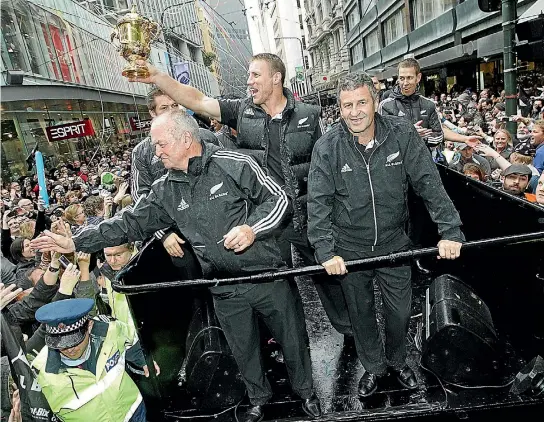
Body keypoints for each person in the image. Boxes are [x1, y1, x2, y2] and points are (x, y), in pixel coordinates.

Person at [31, 111, 321, 422]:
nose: (156, 152)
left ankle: (307, 393)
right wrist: (75, 242)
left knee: (292, 339)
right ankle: (258, 399)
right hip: (222, 287)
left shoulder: (234, 163)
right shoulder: (164, 189)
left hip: (267, 277)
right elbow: (126, 224)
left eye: (161, 144)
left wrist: (251, 228)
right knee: (243, 349)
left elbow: (279, 199)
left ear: (185, 139)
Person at [127, 52, 352, 341]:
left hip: (309, 213)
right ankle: (292, 342)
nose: (249, 82)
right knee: (277, 284)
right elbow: (197, 100)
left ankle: (349, 331)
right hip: (265, 218)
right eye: (248, 76)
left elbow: (327, 163)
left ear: (276, 78)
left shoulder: (310, 115)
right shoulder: (241, 111)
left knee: (328, 274)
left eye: (255, 75)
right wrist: (157, 76)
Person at [307, 72, 464, 398]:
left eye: (361, 102)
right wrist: (325, 251)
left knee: (400, 311)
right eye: (347, 105)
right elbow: (317, 204)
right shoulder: (327, 148)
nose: (354, 112)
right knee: (361, 314)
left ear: (375, 102)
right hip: (349, 247)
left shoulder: (402, 133)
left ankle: (396, 360)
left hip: (394, 243)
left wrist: (450, 230)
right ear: (339, 107)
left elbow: (429, 184)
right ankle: (375, 368)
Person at [131, 87, 218, 271]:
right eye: (164, 108)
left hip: (216, 226)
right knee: (194, 294)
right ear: (152, 113)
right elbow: (141, 197)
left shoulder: (205, 137)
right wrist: (163, 233)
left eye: (175, 105)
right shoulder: (142, 152)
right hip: (177, 239)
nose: (172, 111)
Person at [31, 297, 147, 421]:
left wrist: (143, 360)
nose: (69, 350)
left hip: (133, 413)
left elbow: (129, 337)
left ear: (90, 326)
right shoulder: (40, 371)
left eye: (75, 342)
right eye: (61, 345)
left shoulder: (110, 330)